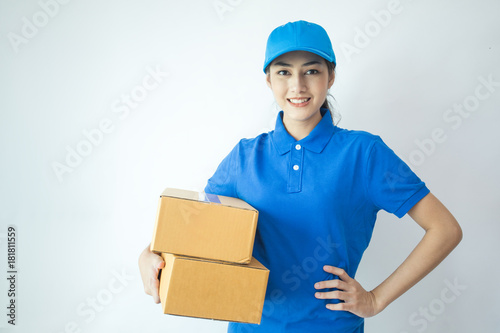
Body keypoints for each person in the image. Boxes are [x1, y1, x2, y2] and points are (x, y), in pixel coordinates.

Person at [139, 20, 462, 332]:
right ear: (269, 80)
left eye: (311, 70)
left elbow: (444, 229)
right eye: (284, 72)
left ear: (330, 77)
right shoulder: (245, 156)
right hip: (251, 327)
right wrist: (150, 252)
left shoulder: (364, 153)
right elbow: (197, 229)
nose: (298, 85)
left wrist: (376, 299)